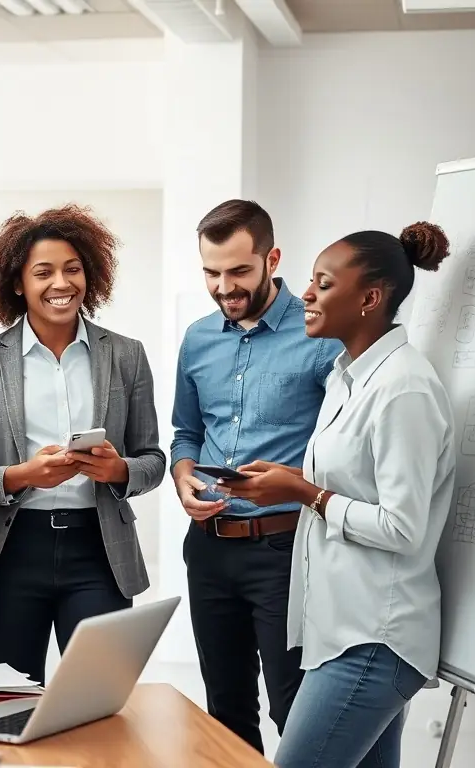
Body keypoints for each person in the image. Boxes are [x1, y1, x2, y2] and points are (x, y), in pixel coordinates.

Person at [221, 223, 455, 768]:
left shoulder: (405, 389)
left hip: (374, 638)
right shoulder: (345, 378)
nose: (305, 293)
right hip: (344, 631)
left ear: (370, 298)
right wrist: (290, 483)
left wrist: (303, 492)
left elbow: (402, 527)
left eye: (323, 284)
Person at [0, 204, 166, 684]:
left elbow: (153, 458)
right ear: (17, 283)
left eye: (72, 269)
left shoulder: (127, 355)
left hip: (99, 549)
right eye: (43, 272)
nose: (61, 283)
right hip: (12, 553)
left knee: (96, 699)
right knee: (11, 704)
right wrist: (22, 475)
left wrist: (119, 471)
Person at [170, 199, 342, 754]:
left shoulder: (322, 334)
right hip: (209, 549)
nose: (224, 286)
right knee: (225, 711)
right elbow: (185, 432)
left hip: (287, 551)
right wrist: (183, 478)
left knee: (294, 708)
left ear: (272, 259)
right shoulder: (198, 339)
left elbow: (347, 445)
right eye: (211, 273)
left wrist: (294, 480)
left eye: (239, 271)